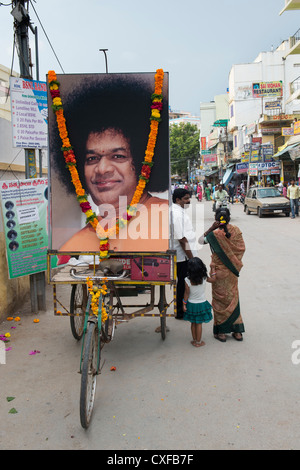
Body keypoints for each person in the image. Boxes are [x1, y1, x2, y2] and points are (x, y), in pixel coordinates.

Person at [49, 73, 169, 253]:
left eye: (118, 156)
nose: (102, 169)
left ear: (143, 161)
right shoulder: (74, 246)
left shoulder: (167, 217)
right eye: (92, 159)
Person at [199, 208, 246, 342]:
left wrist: (210, 228)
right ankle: (237, 332)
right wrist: (234, 261)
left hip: (218, 272)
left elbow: (200, 241)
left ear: (216, 219)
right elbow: (242, 249)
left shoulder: (214, 234)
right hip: (232, 271)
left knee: (220, 300)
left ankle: (222, 332)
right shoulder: (236, 230)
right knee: (233, 298)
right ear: (229, 218)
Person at [172, 188, 198, 319]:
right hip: (182, 256)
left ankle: (182, 309)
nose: (189, 201)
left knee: (184, 283)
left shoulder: (179, 211)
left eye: (189, 198)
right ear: (177, 200)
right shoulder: (176, 214)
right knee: (183, 283)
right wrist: (192, 258)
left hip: (184, 255)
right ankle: (180, 312)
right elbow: (182, 239)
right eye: (186, 199)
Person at [182, 257, 215, 347]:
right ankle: (198, 342)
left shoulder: (187, 280)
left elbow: (186, 293)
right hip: (201, 304)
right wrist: (213, 269)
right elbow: (213, 280)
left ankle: (194, 340)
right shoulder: (204, 278)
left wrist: (184, 304)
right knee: (199, 323)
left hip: (191, 304)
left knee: (193, 323)